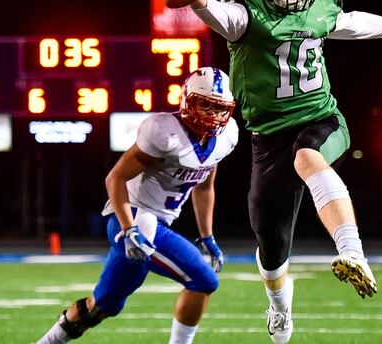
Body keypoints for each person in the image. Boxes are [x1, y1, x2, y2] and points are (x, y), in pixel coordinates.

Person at [184, 0, 382, 343]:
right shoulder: (245, 12)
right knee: (271, 249)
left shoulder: (320, 4)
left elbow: (351, 23)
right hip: (268, 138)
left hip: (322, 120)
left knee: (307, 156)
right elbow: (217, 14)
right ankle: (280, 310)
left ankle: (353, 254)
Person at [36, 67, 239, 344]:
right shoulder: (164, 131)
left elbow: (204, 186)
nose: (212, 114)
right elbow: (116, 177)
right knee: (204, 280)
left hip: (158, 223)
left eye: (219, 108)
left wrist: (207, 236)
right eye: (205, 104)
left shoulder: (226, 137)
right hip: (133, 218)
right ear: (188, 100)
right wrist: (129, 229)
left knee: (103, 305)